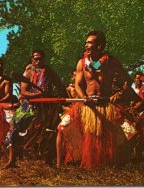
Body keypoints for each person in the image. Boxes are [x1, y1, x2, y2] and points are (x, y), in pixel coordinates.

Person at [56, 30, 136, 169]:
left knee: (130, 132)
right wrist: (83, 98)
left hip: (106, 105)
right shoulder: (82, 63)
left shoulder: (110, 61)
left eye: (90, 42)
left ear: (100, 46)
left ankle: (118, 161)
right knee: (62, 127)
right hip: (87, 106)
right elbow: (78, 84)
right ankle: (58, 164)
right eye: (86, 42)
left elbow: (127, 80)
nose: (86, 45)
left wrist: (120, 93)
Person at [17, 49, 67, 166]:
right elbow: (24, 92)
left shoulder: (49, 71)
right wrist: (37, 95)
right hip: (31, 106)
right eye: (36, 59)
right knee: (25, 129)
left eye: (40, 59)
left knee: (50, 131)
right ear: (32, 60)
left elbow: (59, 85)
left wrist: (62, 99)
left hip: (47, 107)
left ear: (44, 59)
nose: (38, 61)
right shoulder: (28, 72)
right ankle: (23, 153)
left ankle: (48, 157)